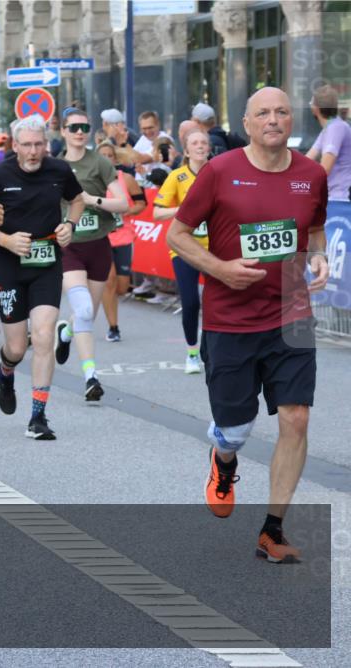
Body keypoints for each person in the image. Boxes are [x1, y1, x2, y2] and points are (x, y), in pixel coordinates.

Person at [167, 87, 329, 563]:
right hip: (230, 318)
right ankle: (224, 459)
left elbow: (314, 230)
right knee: (235, 431)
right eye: (263, 113)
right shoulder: (220, 171)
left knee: (296, 418)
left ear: (291, 118)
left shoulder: (311, 174)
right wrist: (219, 268)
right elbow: (177, 233)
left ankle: (272, 531)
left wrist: (318, 257)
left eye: (281, 111)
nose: (273, 119)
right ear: (248, 121)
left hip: (292, 312)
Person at [0, 117, 80, 439]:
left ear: (46, 144)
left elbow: (77, 199)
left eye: (39, 144)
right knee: (15, 347)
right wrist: (7, 241)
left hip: (46, 262)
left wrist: (70, 224)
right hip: (8, 265)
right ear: (15, 145)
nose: (34, 151)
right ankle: (6, 371)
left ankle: (38, 417)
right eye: (27, 145)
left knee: (42, 335)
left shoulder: (59, 171)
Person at [56, 108, 130, 401]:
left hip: (98, 245)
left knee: (88, 314)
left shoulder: (98, 162)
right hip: (68, 247)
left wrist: (91, 200)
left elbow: (123, 202)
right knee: (85, 311)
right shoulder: (54, 165)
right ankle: (90, 377)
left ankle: (65, 334)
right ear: (62, 131)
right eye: (73, 127)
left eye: (84, 127)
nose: (79, 132)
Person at [153, 129, 213, 373]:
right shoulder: (177, 177)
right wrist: (184, 211)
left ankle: (209, 350)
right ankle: (191, 353)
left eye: (203, 143)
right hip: (184, 248)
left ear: (208, 147)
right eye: (194, 143)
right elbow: (157, 212)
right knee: (190, 302)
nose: (199, 146)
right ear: (186, 151)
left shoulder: (219, 173)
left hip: (214, 249)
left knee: (216, 303)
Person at [97, 144, 147, 342]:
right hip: (101, 237)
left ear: (115, 159)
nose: (107, 159)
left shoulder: (125, 179)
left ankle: (107, 303)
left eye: (110, 155)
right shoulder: (89, 181)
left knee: (122, 287)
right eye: (103, 156)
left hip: (124, 236)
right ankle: (113, 327)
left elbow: (142, 203)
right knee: (108, 282)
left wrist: (126, 211)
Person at [306, 84, 351, 201]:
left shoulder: (336, 128)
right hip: (333, 196)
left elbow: (325, 169)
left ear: (316, 108)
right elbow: (307, 159)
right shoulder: (329, 128)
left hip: (340, 198)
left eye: (311, 103)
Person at [133, 111, 172, 175]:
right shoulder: (143, 138)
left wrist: (123, 143)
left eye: (150, 127)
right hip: (142, 182)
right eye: (144, 129)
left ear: (158, 125)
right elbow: (129, 160)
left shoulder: (164, 139)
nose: (147, 132)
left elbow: (143, 159)